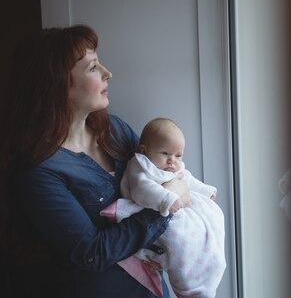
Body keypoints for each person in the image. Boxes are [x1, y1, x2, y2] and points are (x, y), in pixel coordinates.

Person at [0, 24, 191, 298]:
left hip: (153, 288)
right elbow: (92, 253)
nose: (107, 73)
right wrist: (164, 207)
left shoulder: (114, 130)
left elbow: (161, 173)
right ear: (57, 85)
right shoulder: (38, 172)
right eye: (92, 68)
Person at [103, 117, 226, 298]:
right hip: (149, 209)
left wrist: (206, 191)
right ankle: (190, 287)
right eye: (165, 153)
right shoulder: (139, 165)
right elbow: (142, 190)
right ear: (145, 150)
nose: (172, 161)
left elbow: (188, 179)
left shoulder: (174, 168)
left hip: (173, 208)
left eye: (178, 155)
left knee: (213, 219)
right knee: (179, 240)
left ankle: (209, 268)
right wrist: (168, 199)